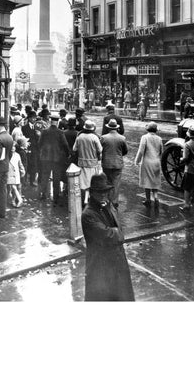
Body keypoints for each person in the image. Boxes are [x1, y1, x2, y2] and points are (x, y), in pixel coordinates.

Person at [81, 173, 135, 301]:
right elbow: (108, 236)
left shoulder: (108, 205)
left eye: (106, 192)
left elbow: (116, 229)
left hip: (117, 263)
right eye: (100, 192)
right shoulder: (88, 214)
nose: (103, 195)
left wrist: (116, 232)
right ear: (92, 193)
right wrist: (118, 233)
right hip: (100, 267)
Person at [38, 115, 70, 203]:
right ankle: (56, 196)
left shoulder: (44, 131)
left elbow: (39, 143)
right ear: (57, 122)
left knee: (45, 176)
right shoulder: (60, 132)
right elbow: (65, 145)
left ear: (50, 121)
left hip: (46, 158)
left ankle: (42, 193)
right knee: (56, 177)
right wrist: (67, 154)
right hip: (57, 158)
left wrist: (42, 153)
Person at [72, 119, 102, 205]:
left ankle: (82, 198)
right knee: (90, 181)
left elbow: (74, 149)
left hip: (81, 162)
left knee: (82, 181)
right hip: (92, 163)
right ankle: (86, 199)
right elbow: (100, 150)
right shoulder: (95, 137)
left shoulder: (79, 137)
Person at [99, 118, 128, 208]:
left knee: (107, 182)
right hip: (118, 164)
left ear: (108, 128)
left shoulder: (103, 138)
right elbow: (125, 151)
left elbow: (100, 150)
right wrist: (119, 155)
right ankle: (114, 201)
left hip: (106, 163)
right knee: (116, 183)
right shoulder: (122, 138)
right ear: (116, 128)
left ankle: (106, 199)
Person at [134, 121, 163, 206]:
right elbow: (162, 151)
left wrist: (137, 160)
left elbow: (141, 151)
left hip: (147, 161)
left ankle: (148, 199)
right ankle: (156, 198)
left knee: (147, 180)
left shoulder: (145, 137)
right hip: (156, 161)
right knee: (155, 180)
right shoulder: (159, 138)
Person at [21, 110, 40, 186]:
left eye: (35, 118)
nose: (34, 119)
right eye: (32, 118)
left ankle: (32, 181)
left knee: (34, 165)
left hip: (35, 149)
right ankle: (25, 181)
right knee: (26, 164)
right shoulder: (24, 128)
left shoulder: (37, 127)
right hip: (27, 149)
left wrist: (38, 135)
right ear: (29, 118)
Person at [8, 142, 26, 207]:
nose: (13, 148)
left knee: (14, 187)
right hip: (9, 173)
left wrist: (22, 170)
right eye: (11, 146)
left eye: (14, 146)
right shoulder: (7, 155)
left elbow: (20, 164)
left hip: (16, 173)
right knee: (13, 187)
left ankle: (13, 200)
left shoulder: (17, 155)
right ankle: (20, 199)